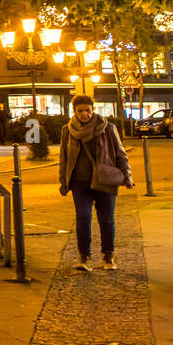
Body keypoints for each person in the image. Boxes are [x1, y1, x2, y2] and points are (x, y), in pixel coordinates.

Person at [58, 95, 132, 271]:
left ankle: (108, 255)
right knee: (83, 218)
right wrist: (63, 181)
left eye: (88, 110)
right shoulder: (67, 130)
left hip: (104, 181)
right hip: (79, 183)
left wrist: (127, 176)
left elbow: (120, 154)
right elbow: (64, 157)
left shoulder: (107, 128)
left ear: (93, 109)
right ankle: (83, 256)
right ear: (74, 111)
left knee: (106, 220)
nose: (85, 114)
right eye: (80, 111)